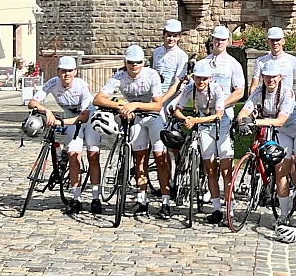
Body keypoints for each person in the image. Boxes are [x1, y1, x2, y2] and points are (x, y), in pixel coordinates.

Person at [236, 59, 296, 228]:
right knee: (280, 172)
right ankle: (284, 215)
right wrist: (242, 121)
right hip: (283, 132)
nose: (270, 80)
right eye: (267, 77)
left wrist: (253, 123)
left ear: (280, 77)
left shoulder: (287, 92)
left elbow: (279, 120)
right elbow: (244, 111)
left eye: (274, 77)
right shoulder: (259, 91)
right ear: (262, 76)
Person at [93, 44, 164, 215]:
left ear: (143, 62)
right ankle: (142, 198)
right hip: (135, 118)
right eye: (130, 62)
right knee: (139, 160)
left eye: (138, 62)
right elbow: (98, 99)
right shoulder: (119, 76)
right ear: (125, 62)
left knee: (160, 158)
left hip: (153, 116)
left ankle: (166, 200)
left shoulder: (151, 75)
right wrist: (120, 105)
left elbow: (158, 104)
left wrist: (136, 104)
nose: (134, 66)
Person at [27, 56, 103, 214]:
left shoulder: (82, 86)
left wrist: (61, 122)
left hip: (87, 119)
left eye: (70, 71)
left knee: (93, 155)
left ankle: (96, 198)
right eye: (63, 71)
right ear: (58, 72)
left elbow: (84, 117)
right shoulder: (53, 83)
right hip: (69, 119)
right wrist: (46, 110)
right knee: (74, 157)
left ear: (75, 71)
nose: (66, 74)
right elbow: (32, 102)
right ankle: (76, 199)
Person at [172, 59, 226, 218]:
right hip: (200, 120)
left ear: (210, 78)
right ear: (193, 77)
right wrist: (185, 119)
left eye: (204, 78)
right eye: (198, 78)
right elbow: (177, 109)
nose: (201, 81)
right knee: (208, 165)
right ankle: (216, 208)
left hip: (216, 123)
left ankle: (222, 207)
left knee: (216, 165)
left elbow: (218, 116)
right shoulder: (189, 88)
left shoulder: (217, 89)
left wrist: (195, 120)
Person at [203, 25, 246, 224]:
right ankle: (216, 207)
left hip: (224, 119)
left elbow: (239, 91)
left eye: (222, 40)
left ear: (228, 41)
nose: (218, 42)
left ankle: (230, 206)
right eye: (216, 39)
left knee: (226, 168)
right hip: (205, 119)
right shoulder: (204, 63)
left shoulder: (233, 64)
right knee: (210, 166)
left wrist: (220, 104)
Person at [151, 18, 189, 219]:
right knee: (158, 145)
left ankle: (176, 177)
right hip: (157, 99)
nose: (171, 38)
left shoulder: (181, 56)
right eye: (168, 35)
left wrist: (163, 102)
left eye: (175, 36)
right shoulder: (157, 52)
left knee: (171, 143)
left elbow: (176, 83)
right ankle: (165, 181)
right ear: (164, 35)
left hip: (170, 101)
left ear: (179, 38)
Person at [250, 27, 296, 107]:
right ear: (267, 41)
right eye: (272, 40)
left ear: (283, 41)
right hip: (267, 105)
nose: (275, 43)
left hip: (287, 103)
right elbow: (254, 85)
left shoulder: (294, 61)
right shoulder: (260, 61)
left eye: (278, 40)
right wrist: (252, 107)